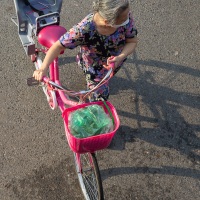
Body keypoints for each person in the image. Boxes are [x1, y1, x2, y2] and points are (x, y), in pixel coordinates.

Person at [33, 0, 138, 101]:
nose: (128, 18)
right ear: (107, 22)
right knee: (99, 99)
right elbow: (58, 46)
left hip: (115, 61)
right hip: (94, 66)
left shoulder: (124, 16)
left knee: (105, 79)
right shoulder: (83, 30)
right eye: (124, 18)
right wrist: (43, 68)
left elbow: (132, 41)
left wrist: (120, 57)